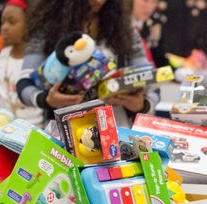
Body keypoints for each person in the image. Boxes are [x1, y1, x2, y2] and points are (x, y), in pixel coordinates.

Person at [16, 0, 158, 127]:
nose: (99, 1)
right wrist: (46, 100)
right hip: (63, 131)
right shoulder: (47, 30)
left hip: (115, 129)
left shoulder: (125, 31)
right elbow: (24, 83)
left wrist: (141, 104)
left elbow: (152, 85)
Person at [0, 0, 42, 125]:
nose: (4, 28)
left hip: (35, 128)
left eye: (12, 22)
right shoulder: (3, 55)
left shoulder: (37, 59)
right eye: (3, 22)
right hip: (5, 129)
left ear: (29, 24)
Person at [132, 0, 169, 68]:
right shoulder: (119, 23)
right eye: (145, 1)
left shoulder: (154, 23)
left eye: (153, 2)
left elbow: (160, 58)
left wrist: (179, 73)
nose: (149, 7)